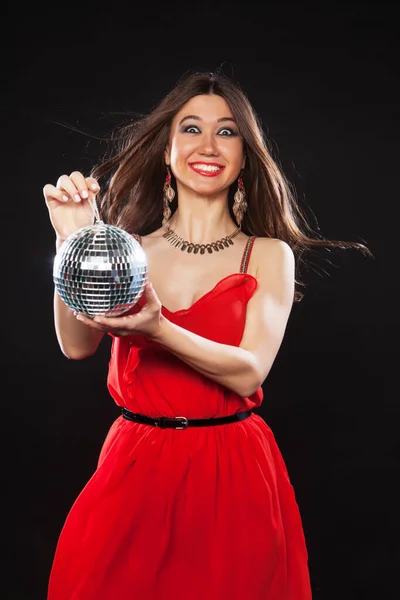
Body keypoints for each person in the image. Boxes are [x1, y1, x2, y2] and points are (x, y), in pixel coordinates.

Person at [43, 71, 370, 600]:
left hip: (232, 472)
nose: (208, 144)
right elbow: (76, 346)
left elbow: (248, 372)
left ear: (245, 155)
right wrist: (74, 243)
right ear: (167, 151)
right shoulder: (126, 249)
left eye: (228, 131)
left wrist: (158, 327)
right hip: (135, 465)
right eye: (190, 128)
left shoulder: (267, 255)